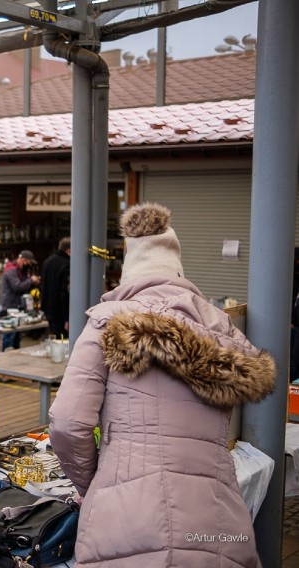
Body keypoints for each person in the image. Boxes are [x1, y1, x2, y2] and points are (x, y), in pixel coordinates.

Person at [48, 203, 275, 567]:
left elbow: (67, 423)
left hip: (126, 517)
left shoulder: (108, 322)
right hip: (217, 517)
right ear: (178, 269)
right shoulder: (224, 332)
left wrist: (96, 485)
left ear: (128, 271)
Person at [0, 250, 40, 350]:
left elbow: (24, 286)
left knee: (17, 336)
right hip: (10, 307)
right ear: (24, 260)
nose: (29, 265)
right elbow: (17, 287)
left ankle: (14, 360)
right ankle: (5, 358)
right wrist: (31, 280)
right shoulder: (11, 270)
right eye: (29, 262)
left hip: (17, 306)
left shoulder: (21, 271)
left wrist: (33, 282)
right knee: (9, 335)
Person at [39, 237, 70, 338]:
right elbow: (64, 292)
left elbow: (42, 284)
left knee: (55, 336)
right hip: (60, 309)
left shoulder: (47, 261)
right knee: (63, 339)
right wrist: (67, 317)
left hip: (47, 307)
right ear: (69, 250)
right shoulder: (67, 264)